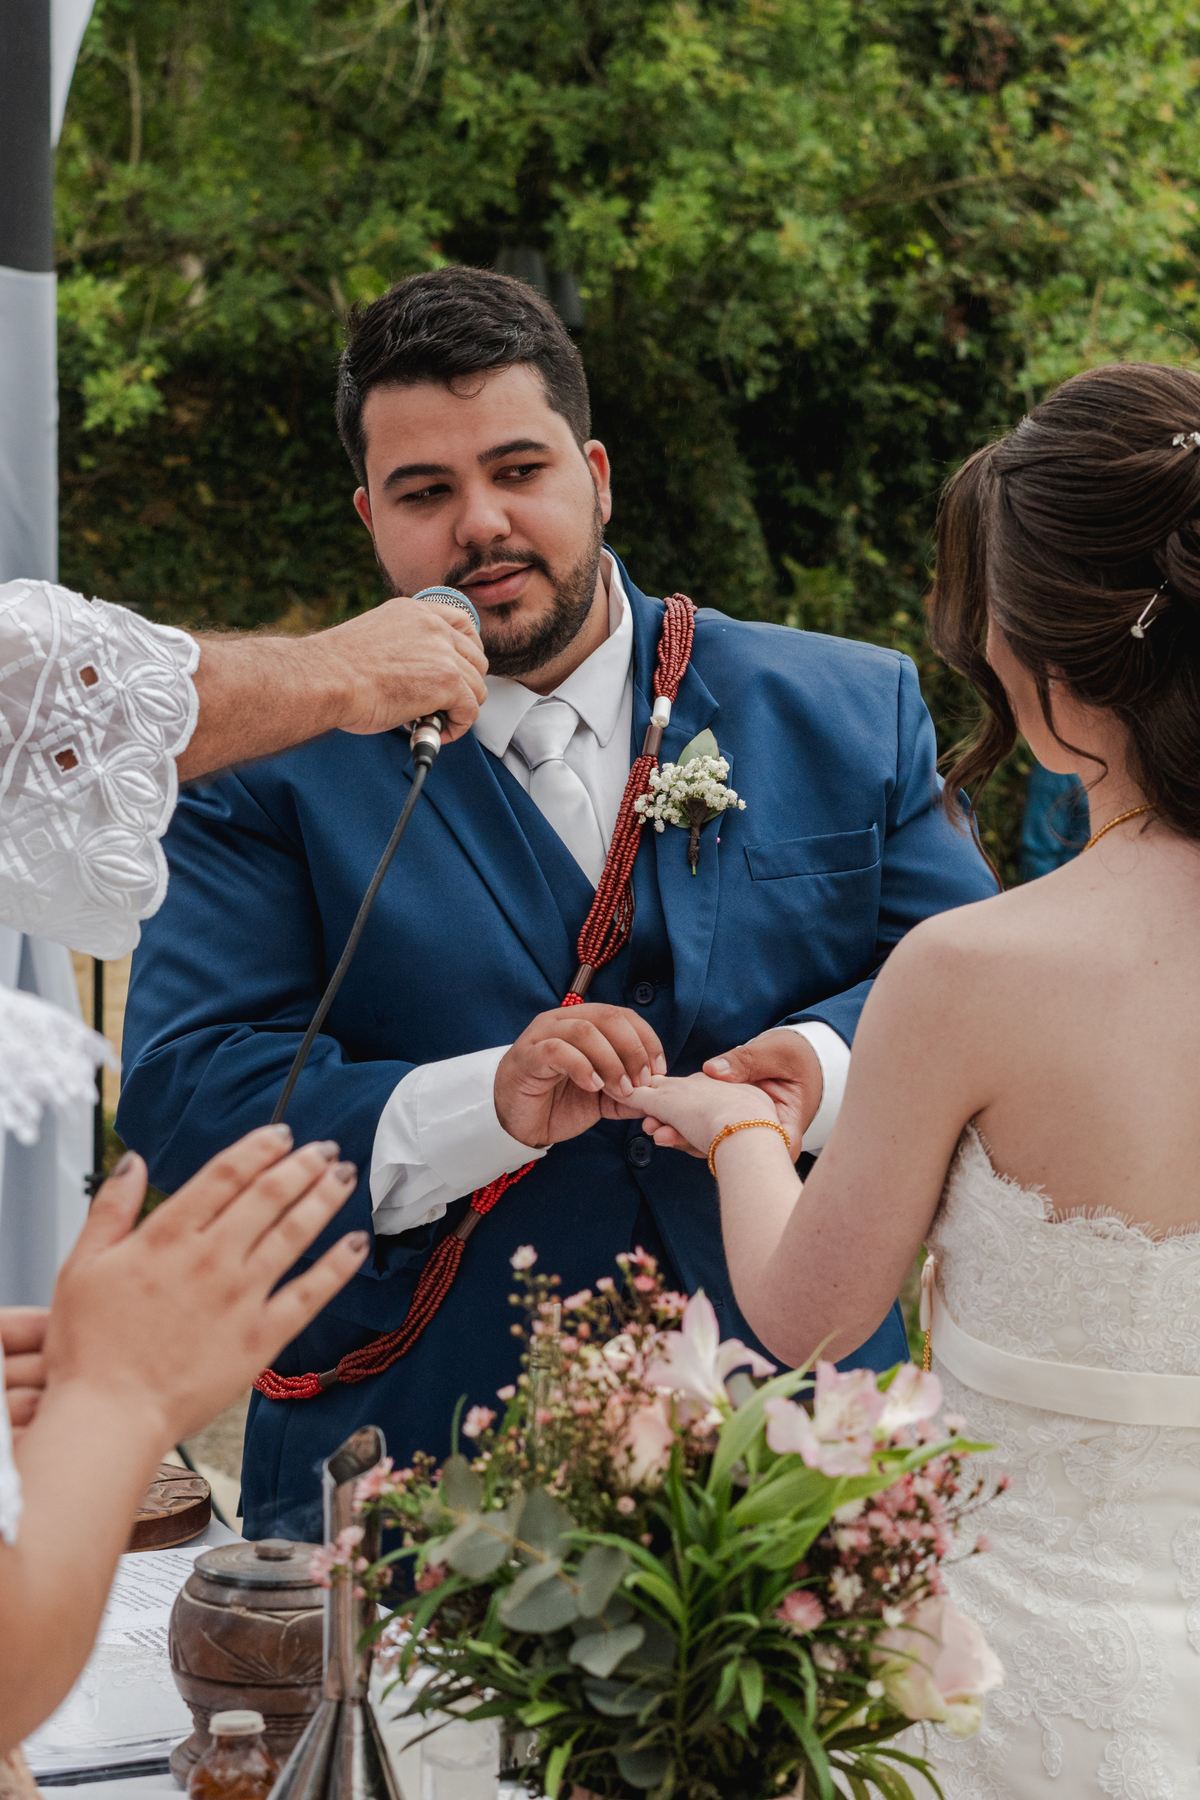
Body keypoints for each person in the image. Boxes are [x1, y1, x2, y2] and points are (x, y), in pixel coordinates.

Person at [115, 265, 996, 1542]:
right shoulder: (268, 767)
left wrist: (811, 1065)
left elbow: (967, 984)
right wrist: (486, 1103)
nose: (481, 522)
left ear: (596, 473)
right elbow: (191, 1099)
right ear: (370, 517)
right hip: (417, 1474)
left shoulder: (850, 711)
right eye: (426, 492)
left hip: (798, 1467)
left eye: (519, 470)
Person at [615, 361, 1200, 1795]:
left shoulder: (973, 972)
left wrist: (743, 1125)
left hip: (1031, 1690)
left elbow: (813, 1314)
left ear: (1032, 650)